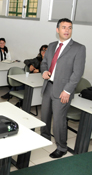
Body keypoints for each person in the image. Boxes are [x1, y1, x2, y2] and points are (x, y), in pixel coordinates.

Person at [40, 18, 86, 159]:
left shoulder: (79, 48)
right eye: (64, 27)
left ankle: (62, 147)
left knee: (59, 120)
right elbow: (44, 62)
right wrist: (44, 71)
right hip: (49, 86)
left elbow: (77, 73)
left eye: (70, 28)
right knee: (45, 115)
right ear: (57, 29)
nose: (67, 30)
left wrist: (67, 91)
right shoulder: (52, 45)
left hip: (63, 90)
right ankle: (45, 137)